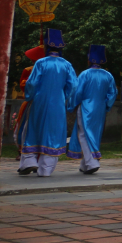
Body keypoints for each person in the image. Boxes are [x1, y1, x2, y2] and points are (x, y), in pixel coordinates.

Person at [18, 29, 77, 177]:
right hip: (57, 103)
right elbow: (74, 86)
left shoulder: (40, 63)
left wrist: (30, 96)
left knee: (33, 129)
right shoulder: (67, 65)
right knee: (53, 132)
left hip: (39, 101)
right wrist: (64, 97)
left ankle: (30, 161)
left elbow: (31, 83)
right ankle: (46, 169)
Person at [66, 45, 118, 174]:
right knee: (94, 134)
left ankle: (92, 162)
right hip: (100, 108)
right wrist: (106, 105)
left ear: (89, 59)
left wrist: (71, 105)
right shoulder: (108, 75)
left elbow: (77, 93)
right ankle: (84, 165)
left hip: (86, 107)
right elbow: (113, 93)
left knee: (83, 134)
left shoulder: (85, 74)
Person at [13, 44, 45, 153]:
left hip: (42, 101)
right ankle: (22, 149)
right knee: (24, 125)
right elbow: (23, 85)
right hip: (31, 101)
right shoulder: (28, 70)